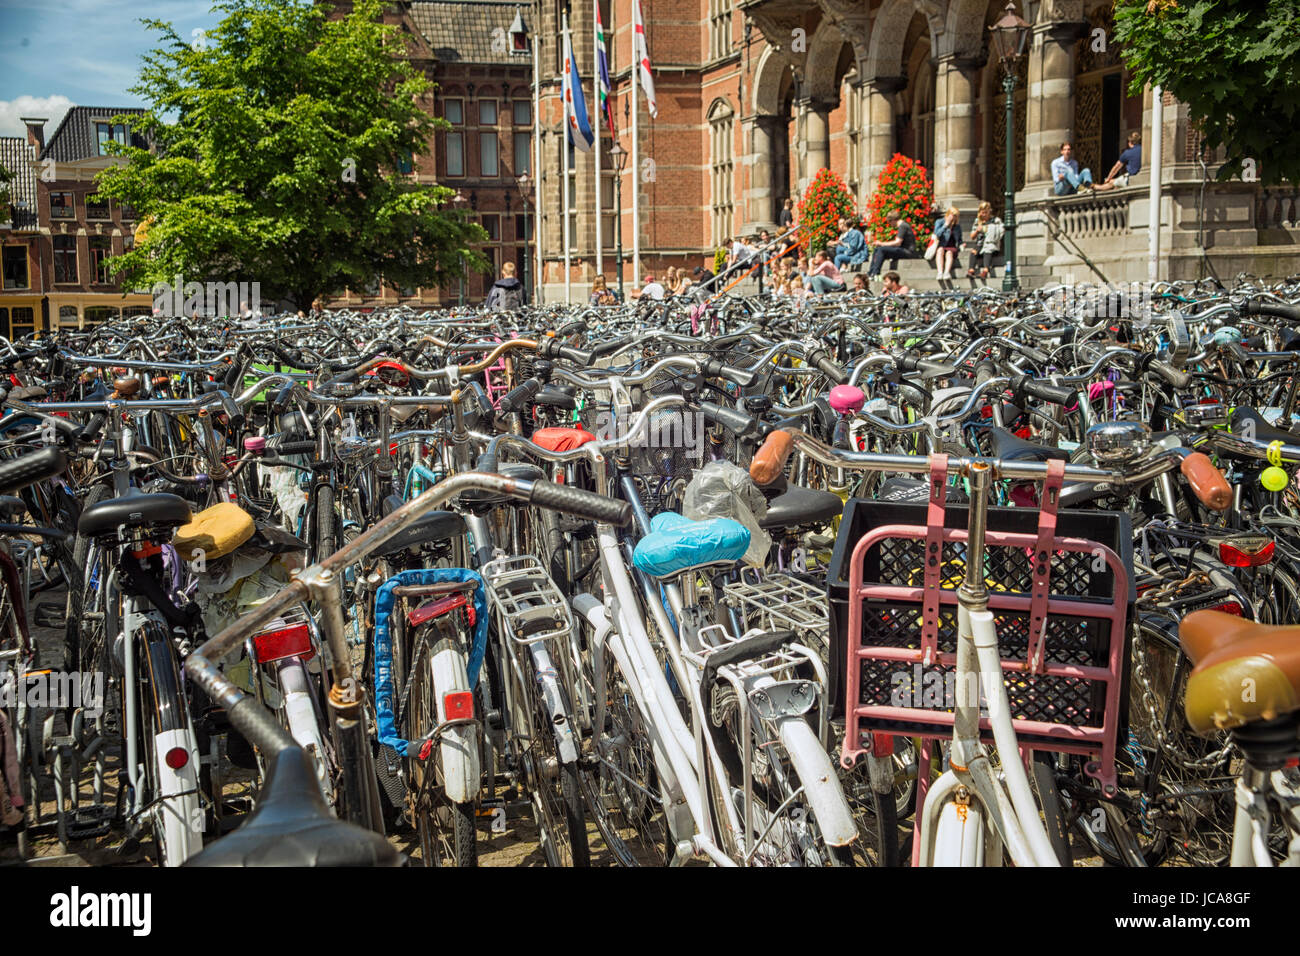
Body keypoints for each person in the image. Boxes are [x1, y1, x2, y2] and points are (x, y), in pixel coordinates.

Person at [866, 209, 920, 277]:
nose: (890, 224)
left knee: (881, 249)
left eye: (890, 222)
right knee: (877, 249)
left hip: (907, 252)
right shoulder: (903, 226)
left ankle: (875, 273)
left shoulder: (903, 226)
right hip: (902, 250)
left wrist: (881, 243)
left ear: (893, 220)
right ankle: (871, 272)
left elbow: (898, 242)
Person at [964, 201, 1005, 278]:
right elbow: (972, 236)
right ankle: (971, 270)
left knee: (987, 249)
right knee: (974, 251)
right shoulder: (978, 221)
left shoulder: (996, 220)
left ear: (989, 211)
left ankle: (985, 271)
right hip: (980, 243)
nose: (984, 215)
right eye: (982, 212)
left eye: (986, 212)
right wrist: (977, 230)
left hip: (991, 244)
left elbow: (1001, 232)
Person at [932, 206, 962, 280]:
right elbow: (937, 234)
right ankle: (940, 272)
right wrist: (945, 225)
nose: (954, 218)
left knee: (949, 252)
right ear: (948, 214)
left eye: (956, 216)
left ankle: (946, 272)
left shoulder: (957, 226)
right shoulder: (939, 222)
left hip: (952, 247)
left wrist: (962, 244)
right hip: (941, 245)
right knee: (940, 250)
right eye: (953, 215)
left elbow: (960, 239)